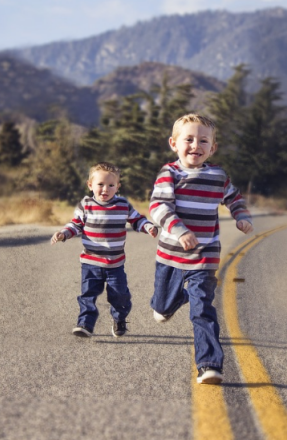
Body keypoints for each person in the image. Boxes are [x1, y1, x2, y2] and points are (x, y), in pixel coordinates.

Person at [148, 113, 253, 384]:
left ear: (212, 147)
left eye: (203, 140)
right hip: (171, 256)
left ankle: (209, 365)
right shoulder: (169, 173)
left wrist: (241, 215)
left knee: (203, 308)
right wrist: (180, 230)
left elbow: (234, 197)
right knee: (160, 309)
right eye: (189, 139)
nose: (196, 145)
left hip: (204, 258)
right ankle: (172, 301)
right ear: (174, 143)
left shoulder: (217, 176)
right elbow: (158, 207)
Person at [52, 162, 158, 338]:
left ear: (118, 186)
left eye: (111, 185)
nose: (105, 189)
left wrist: (148, 227)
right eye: (100, 184)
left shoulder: (122, 205)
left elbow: (137, 220)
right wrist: (64, 233)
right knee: (87, 295)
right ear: (90, 185)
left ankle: (119, 318)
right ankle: (85, 324)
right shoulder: (85, 205)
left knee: (120, 296)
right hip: (90, 262)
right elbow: (76, 224)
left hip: (115, 264)